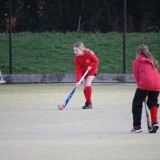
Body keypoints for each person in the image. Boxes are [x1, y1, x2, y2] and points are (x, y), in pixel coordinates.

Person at [131, 44, 160, 133]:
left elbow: (137, 77)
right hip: (157, 84)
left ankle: (137, 126)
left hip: (145, 84)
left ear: (137, 53)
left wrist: (142, 90)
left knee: (136, 104)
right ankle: (154, 122)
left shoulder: (136, 62)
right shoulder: (152, 61)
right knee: (152, 102)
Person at [73, 42, 99, 109]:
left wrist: (91, 65)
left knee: (87, 83)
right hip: (85, 71)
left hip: (92, 70)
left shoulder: (89, 53)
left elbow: (96, 60)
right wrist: (77, 81)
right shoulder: (76, 58)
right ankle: (87, 102)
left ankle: (89, 103)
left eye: (77, 50)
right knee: (84, 87)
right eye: (74, 50)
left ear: (81, 49)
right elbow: (78, 70)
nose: (75, 52)